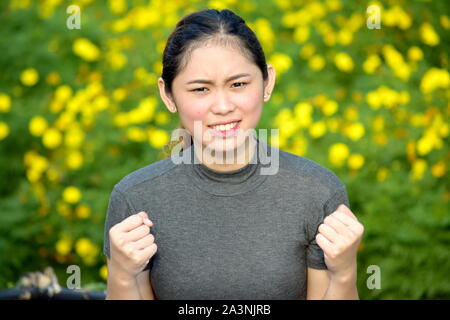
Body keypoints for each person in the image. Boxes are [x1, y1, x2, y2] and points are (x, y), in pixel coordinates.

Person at [103, 8, 364, 300]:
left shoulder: (318, 192)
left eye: (238, 84)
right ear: (168, 95)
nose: (223, 105)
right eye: (201, 89)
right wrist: (122, 277)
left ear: (267, 82)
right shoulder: (136, 200)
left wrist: (344, 274)